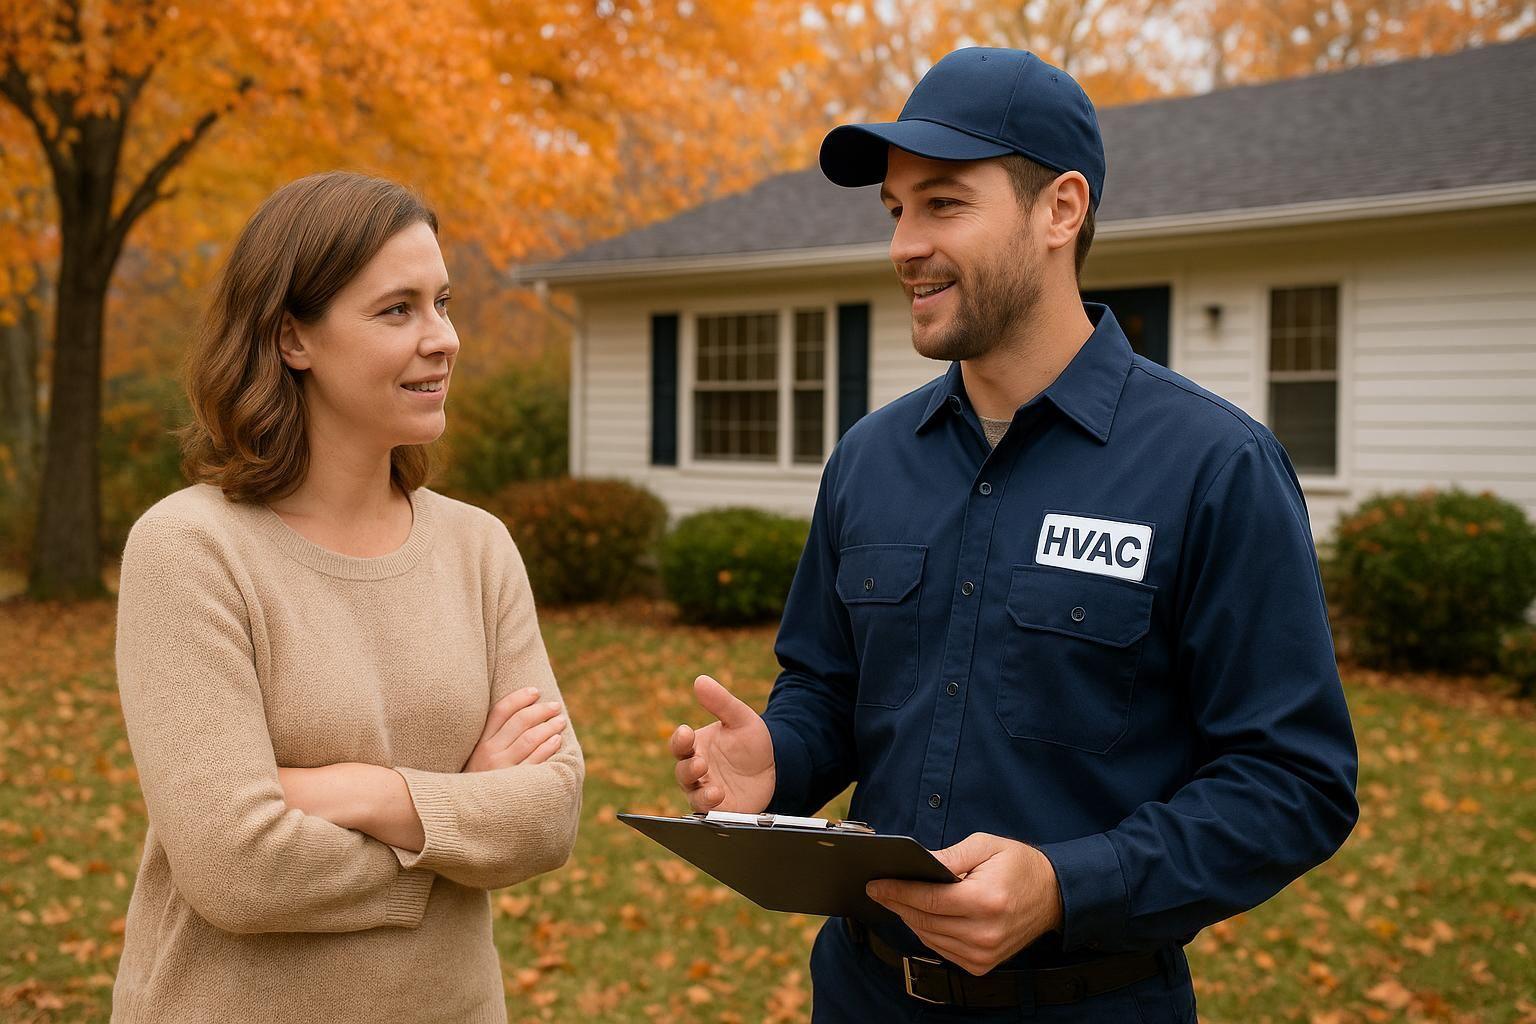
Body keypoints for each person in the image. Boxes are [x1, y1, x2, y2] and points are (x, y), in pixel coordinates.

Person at [669, 47, 1358, 1021]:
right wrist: (780, 755)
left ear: (1060, 211)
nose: (906, 243)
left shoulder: (1214, 467)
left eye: (943, 203)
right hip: (865, 992)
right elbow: (830, 686)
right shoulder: (870, 460)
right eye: (896, 210)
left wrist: (1069, 883)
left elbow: (1295, 782)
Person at [111, 171, 583, 1024]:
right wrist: (457, 811)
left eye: (442, 302)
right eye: (397, 310)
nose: (443, 338)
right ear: (294, 338)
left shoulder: (479, 550)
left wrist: (363, 793)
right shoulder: (191, 552)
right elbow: (235, 866)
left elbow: (550, 814)